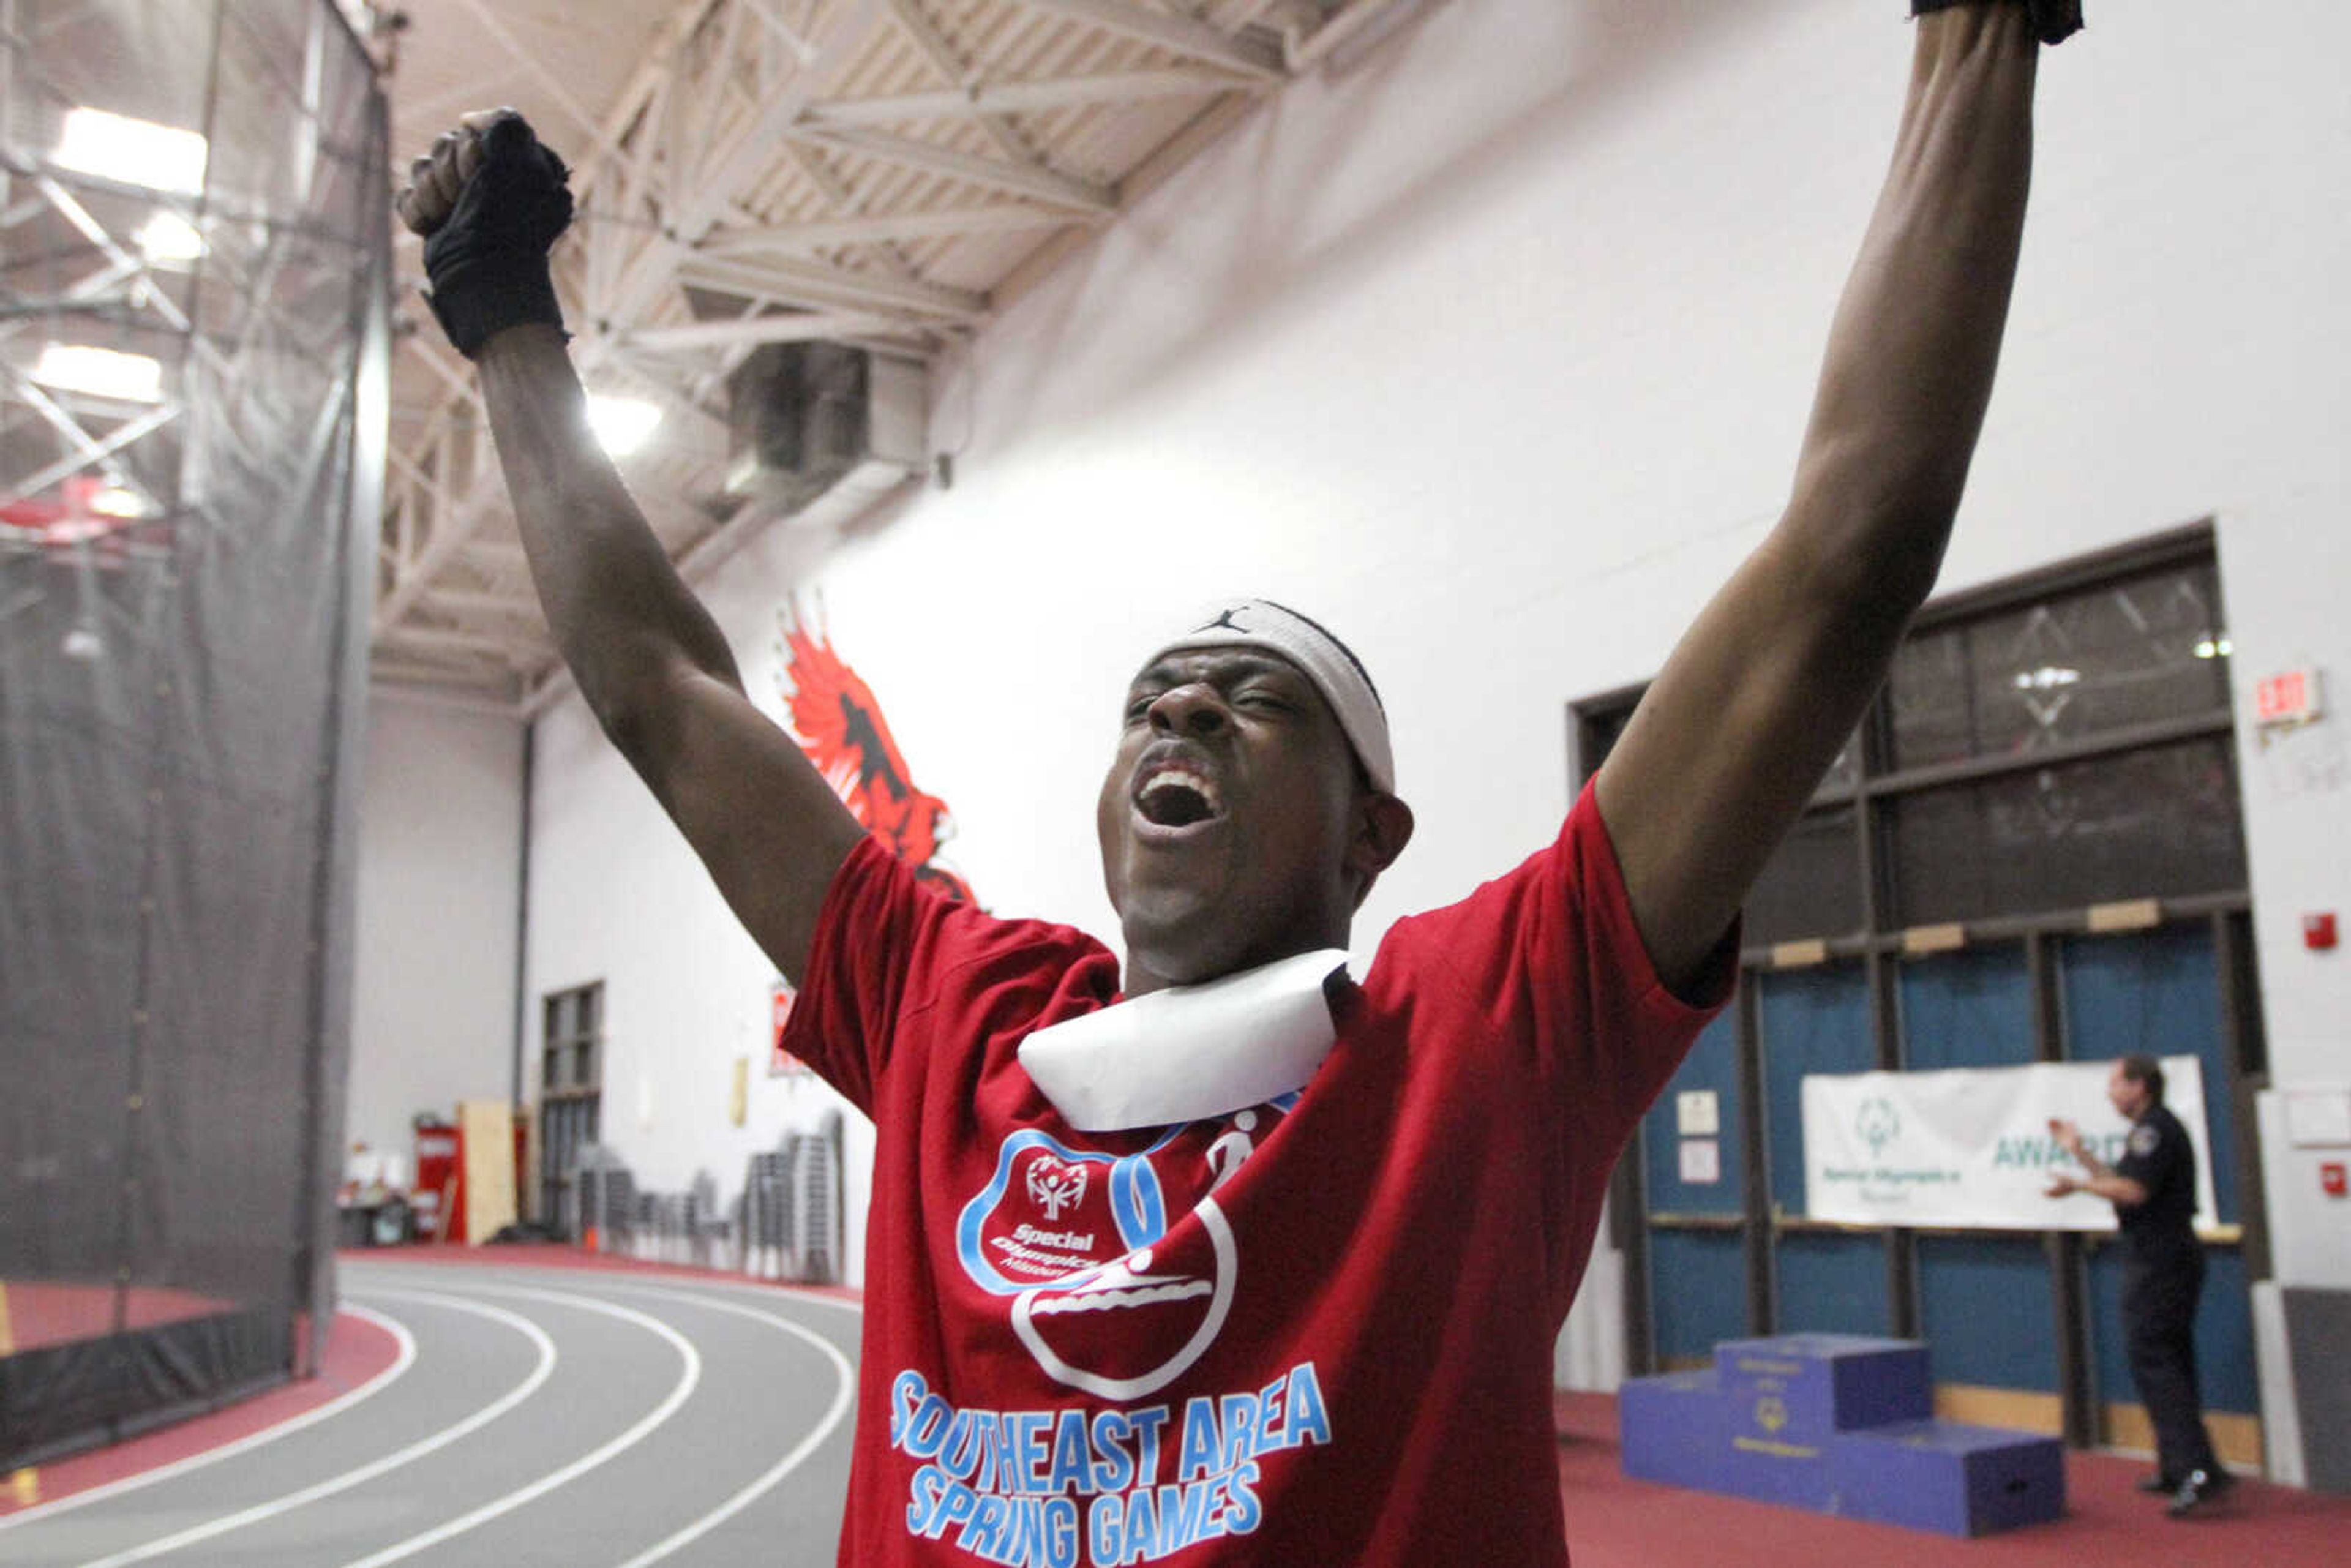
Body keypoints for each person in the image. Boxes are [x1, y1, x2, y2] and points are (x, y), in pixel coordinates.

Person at [397, 2, 2080, 1561]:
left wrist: (1973, 33)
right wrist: (505, 321)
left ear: (1374, 834)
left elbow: (1840, 566)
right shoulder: (956, 1016)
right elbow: (669, 696)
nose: (1182, 716)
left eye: (1253, 704)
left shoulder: (1476, 1039)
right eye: (1152, 704)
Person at [2047, 1054, 2232, 1518]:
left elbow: (2133, 1192)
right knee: (2169, 1357)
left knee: (2155, 1357)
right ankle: (2184, 1463)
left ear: (2140, 1086)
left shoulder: (2155, 1130)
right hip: (2163, 1255)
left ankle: (2195, 1471)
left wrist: (2078, 1186)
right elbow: (2123, 1180)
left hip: (2162, 1256)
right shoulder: (2146, 1131)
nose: (2110, 1093)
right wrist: (2080, 1153)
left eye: (2115, 1084)